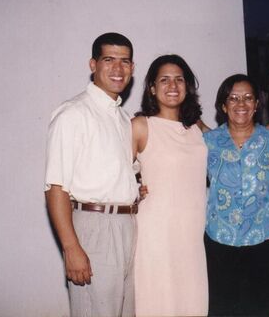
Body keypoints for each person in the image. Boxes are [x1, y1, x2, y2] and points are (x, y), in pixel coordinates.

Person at [45, 32, 139, 317]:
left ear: (132, 69)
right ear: (93, 64)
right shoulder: (73, 114)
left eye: (124, 61)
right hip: (94, 229)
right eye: (109, 60)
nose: (118, 68)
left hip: (128, 227)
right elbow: (55, 188)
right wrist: (71, 247)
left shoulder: (123, 119)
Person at [132, 54, 208, 316]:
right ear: (152, 88)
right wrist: (133, 190)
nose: (172, 85)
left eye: (179, 79)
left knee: (191, 301)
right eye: (164, 80)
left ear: (187, 86)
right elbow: (113, 171)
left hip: (192, 233)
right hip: (156, 233)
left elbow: (232, 147)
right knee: (159, 302)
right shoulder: (142, 126)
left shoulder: (196, 127)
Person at [203, 74, 269, 316]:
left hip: (266, 240)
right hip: (220, 242)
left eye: (248, 98)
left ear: (257, 104)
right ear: (223, 105)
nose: (241, 104)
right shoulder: (207, 142)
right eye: (234, 98)